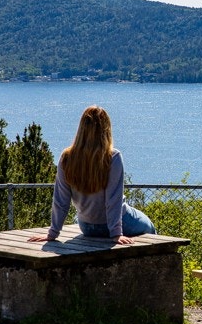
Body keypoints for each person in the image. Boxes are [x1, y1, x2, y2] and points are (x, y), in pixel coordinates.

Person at [28, 105, 155, 245]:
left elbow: (61, 200)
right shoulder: (113, 157)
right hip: (114, 224)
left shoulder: (67, 157)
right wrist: (116, 234)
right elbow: (113, 200)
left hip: (87, 226)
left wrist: (53, 233)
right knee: (149, 227)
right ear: (106, 129)